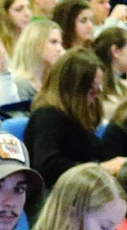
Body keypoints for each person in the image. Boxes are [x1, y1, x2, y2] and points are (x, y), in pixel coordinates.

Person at [26, 49, 112, 191]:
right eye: (92, 87)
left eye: (99, 86)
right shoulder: (46, 116)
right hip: (56, 195)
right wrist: (99, 169)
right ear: (73, 87)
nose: (97, 93)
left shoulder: (76, 116)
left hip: (80, 190)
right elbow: (47, 166)